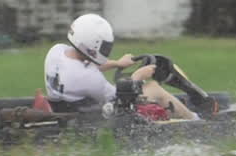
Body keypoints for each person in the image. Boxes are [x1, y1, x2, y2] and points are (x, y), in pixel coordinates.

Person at [44, 13, 198, 120]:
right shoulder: (90, 79)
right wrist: (137, 77)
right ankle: (195, 121)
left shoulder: (57, 52)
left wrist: (117, 63)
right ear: (93, 45)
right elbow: (123, 101)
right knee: (153, 88)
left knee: (148, 88)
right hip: (101, 120)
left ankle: (181, 111)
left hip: (70, 109)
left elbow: (85, 67)